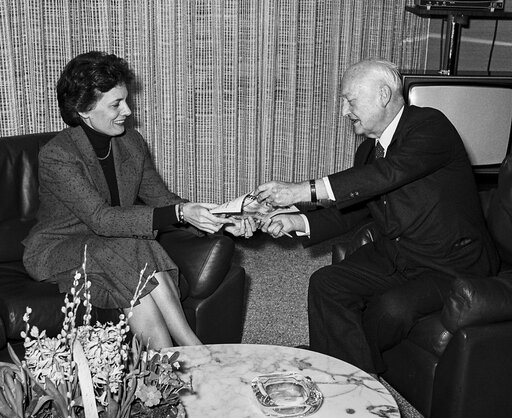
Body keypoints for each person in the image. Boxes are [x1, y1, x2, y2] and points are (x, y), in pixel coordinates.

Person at [255, 58, 499, 375]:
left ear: (383, 95)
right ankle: (344, 373)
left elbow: (387, 175)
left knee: (392, 308)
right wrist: (296, 221)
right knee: (326, 282)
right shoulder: (368, 150)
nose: (344, 111)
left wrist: (303, 190)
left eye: (350, 100)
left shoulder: (430, 127)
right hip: (398, 253)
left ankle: (341, 370)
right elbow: (357, 208)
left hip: (451, 262)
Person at [23, 51, 254, 350]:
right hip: (60, 248)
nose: (128, 111)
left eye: (126, 100)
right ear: (83, 110)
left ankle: (167, 364)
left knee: (131, 254)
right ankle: (193, 350)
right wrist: (181, 212)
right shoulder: (58, 155)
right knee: (129, 245)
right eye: (116, 104)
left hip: (115, 250)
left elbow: (163, 200)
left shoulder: (131, 143)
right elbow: (101, 219)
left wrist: (222, 220)